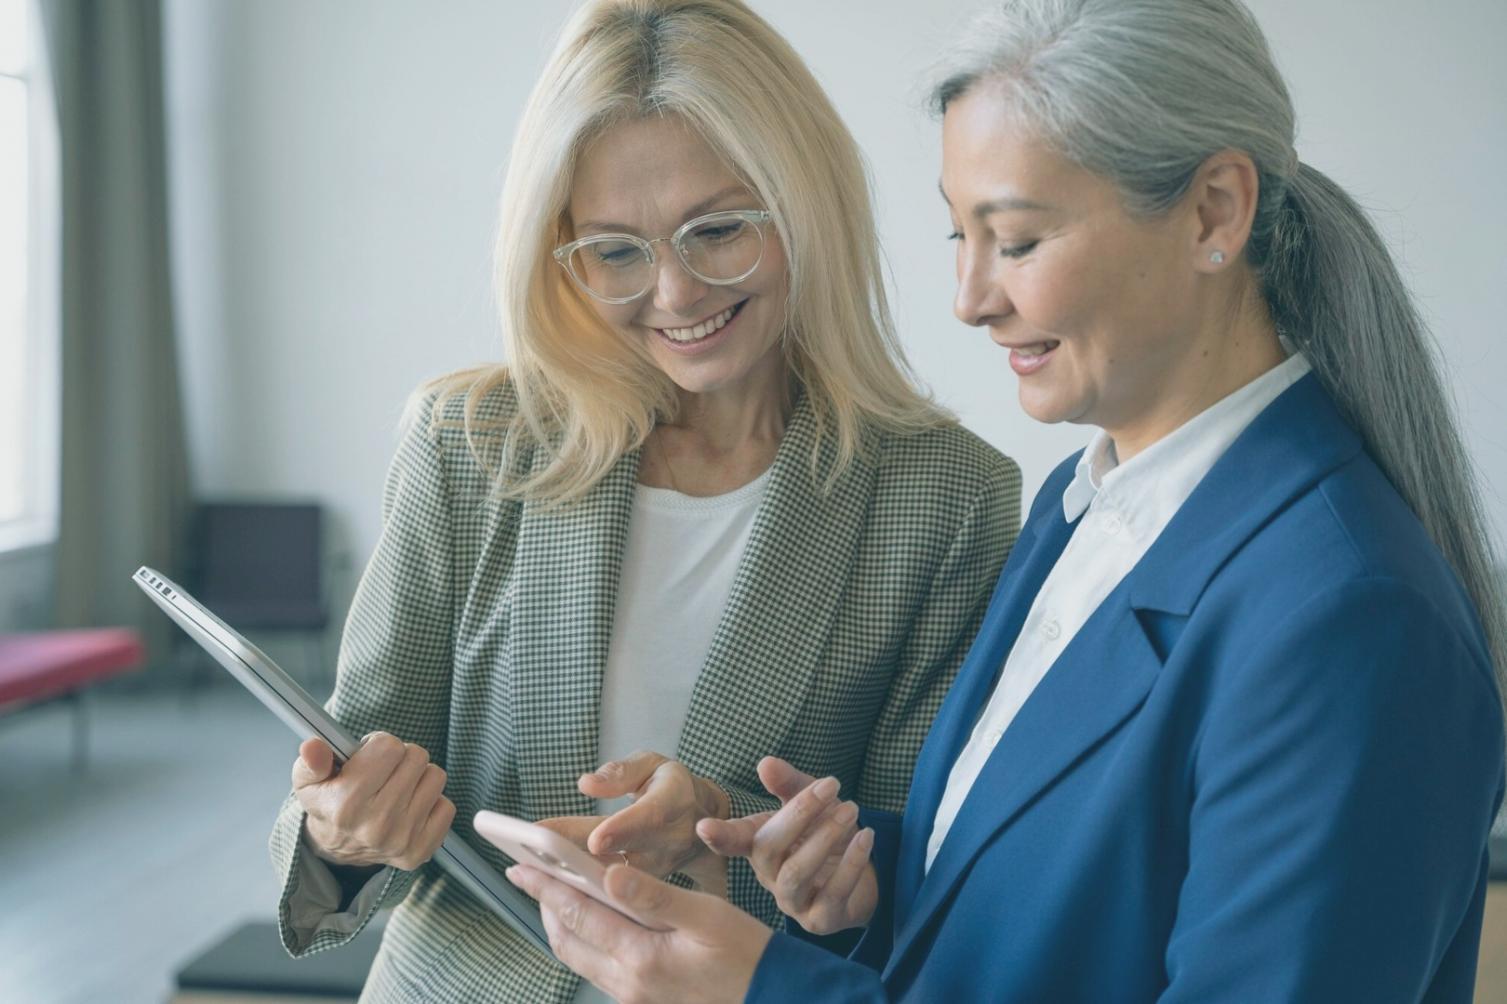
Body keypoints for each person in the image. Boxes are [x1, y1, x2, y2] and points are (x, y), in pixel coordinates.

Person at [506, 0, 1507, 1000]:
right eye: (959, 235)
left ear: (1213, 212)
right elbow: (1065, 916)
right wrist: (864, 880)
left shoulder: (1351, 617)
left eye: (1017, 241)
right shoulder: (1080, 508)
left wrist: (763, 988)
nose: (970, 297)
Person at [266, 1, 1020, 1001]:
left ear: (805, 204)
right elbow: (356, 760)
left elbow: (912, 863)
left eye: (718, 229)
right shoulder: (468, 443)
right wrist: (340, 826)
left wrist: (788, 860)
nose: (675, 292)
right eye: (616, 250)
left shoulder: (948, 497)